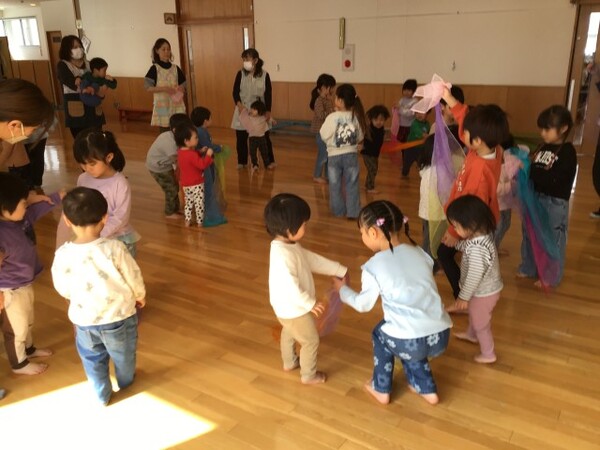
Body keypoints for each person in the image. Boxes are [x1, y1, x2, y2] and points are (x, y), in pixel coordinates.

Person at [333, 200, 452, 405]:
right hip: (440, 335)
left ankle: (381, 388)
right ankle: (425, 388)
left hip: (411, 341)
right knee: (405, 330)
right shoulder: (420, 253)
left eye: (362, 233)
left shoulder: (373, 266)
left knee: (381, 334)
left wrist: (342, 290)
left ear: (373, 232)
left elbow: (363, 305)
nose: (362, 237)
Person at [52, 187, 146, 405]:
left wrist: (72, 297)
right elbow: (132, 275)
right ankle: (126, 382)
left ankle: (101, 395)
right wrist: (140, 295)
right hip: (119, 317)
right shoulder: (115, 248)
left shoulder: (63, 253)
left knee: (92, 360)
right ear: (105, 218)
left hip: (84, 322)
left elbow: (61, 286)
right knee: (124, 354)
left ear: (67, 220)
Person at [264, 193, 347, 385]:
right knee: (310, 340)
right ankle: (309, 375)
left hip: (286, 308)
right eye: (303, 224)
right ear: (288, 229)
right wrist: (310, 303)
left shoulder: (287, 245)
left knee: (289, 331)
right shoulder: (283, 256)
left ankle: (289, 363)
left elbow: (310, 259)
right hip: (295, 308)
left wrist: (337, 269)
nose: (306, 227)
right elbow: (290, 286)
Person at [438, 88, 508, 305]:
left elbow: (469, 209)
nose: (462, 133)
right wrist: (449, 98)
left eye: (466, 133)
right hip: (477, 218)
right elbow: (465, 117)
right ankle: (468, 293)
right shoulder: (488, 148)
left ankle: (463, 297)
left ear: (476, 140)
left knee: (444, 253)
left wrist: (454, 231)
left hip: (471, 222)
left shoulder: (479, 173)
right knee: (463, 256)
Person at [0, 172, 62, 376]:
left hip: (25, 283)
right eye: (23, 202)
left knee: (27, 320)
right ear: (4, 208)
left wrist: (56, 197)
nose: (26, 205)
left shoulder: (21, 217)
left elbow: (38, 208)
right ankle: (19, 364)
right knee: (16, 329)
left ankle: (29, 349)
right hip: (9, 290)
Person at [518, 105, 577, 287]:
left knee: (552, 239)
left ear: (564, 128)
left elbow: (555, 180)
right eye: (541, 129)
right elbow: (534, 170)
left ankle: (551, 276)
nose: (542, 133)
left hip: (554, 203)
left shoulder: (567, 152)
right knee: (530, 234)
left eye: (547, 129)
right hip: (535, 198)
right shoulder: (542, 147)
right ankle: (529, 267)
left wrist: (531, 172)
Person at [58, 130, 140, 257]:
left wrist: (97, 234)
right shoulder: (82, 178)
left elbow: (121, 217)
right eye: (82, 164)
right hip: (92, 240)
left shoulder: (120, 183)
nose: (87, 168)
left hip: (117, 241)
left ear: (109, 157)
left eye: (92, 163)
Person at [446, 195, 503, 364]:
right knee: (474, 312)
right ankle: (472, 335)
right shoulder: (481, 237)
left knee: (480, 322)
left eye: (456, 226)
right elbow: (469, 246)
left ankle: (488, 353)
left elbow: (474, 275)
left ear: (470, 224)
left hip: (484, 292)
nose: (455, 230)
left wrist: (463, 296)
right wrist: (457, 245)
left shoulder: (478, 248)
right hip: (483, 290)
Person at [320, 83, 367, 219]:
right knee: (352, 184)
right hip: (351, 156)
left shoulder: (332, 117)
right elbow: (360, 137)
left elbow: (323, 134)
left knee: (335, 185)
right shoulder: (355, 116)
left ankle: (338, 211)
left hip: (334, 157)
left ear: (340, 101)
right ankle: (353, 212)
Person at [231, 48, 274, 169]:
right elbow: (235, 92)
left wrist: (268, 111)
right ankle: (242, 162)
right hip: (243, 109)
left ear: (255, 60)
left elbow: (268, 94)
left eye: (247, 59)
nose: (245, 62)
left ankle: (269, 161)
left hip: (258, 111)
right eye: (244, 59)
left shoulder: (264, 75)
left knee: (263, 137)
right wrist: (239, 106)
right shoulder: (240, 74)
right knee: (241, 137)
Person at [146, 113, 192, 219]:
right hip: (158, 168)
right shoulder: (169, 143)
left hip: (165, 164)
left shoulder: (174, 136)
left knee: (174, 186)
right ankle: (169, 212)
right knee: (170, 188)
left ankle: (175, 208)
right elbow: (177, 161)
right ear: (175, 130)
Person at [57, 35, 104, 138]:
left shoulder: (89, 64)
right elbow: (72, 83)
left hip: (93, 106)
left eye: (80, 46)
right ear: (67, 50)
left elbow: (100, 81)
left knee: (97, 138)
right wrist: (85, 82)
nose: (78, 49)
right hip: (76, 107)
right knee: (81, 139)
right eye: (74, 47)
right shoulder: (63, 65)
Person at [191, 106, 228, 227]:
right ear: (205, 121)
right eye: (210, 118)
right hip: (205, 162)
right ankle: (208, 211)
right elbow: (208, 146)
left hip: (202, 161)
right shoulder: (201, 132)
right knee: (209, 184)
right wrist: (219, 148)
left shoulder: (196, 130)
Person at [175, 123, 214, 227]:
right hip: (196, 184)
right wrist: (208, 155)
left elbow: (190, 157)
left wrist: (200, 151)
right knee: (199, 203)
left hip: (185, 184)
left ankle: (187, 220)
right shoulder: (192, 154)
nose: (197, 139)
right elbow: (202, 165)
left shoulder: (180, 152)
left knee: (188, 203)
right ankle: (199, 222)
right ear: (186, 141)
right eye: (195, 138)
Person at [145, 38, 186, 132]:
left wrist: (181, 88)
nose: (167, 52)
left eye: (168, 49)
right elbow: (148, 87)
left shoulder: (176, 68)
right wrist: (165, 89)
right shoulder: (154, 69)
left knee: (179, 129)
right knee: (165, 130)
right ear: (157, 51)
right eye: (163, 49)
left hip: (176, 104)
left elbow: (184, 85)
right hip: (161, 105)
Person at [417, 139, 442, 273]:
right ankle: (429, 266)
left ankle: (427, 262)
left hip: (425, 211)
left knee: (428, 238)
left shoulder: (425, 169)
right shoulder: (438, 172)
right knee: (432, 241)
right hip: (434, 213)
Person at [310, 73, 336, 184]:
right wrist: (332, 111)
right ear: (323, 87)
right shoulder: (319, 100)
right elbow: (321, 115)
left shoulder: (327, 100)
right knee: (323, 155)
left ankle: (328, 176)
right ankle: (317, 175)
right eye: (330, 87)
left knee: (328, 155)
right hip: (320, 132)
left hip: (327, 132)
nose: (332, 90)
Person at [360, 105, 389, 194]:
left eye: (381, 120)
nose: (379, 122)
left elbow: (379, 140)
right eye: (376, 120)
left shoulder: (381, 130)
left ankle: (367, 185)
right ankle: (370, 187)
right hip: (368, 153)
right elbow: (364, 138)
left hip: (374, 154)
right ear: (371, 119)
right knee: (373, 169)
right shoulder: (369, 129)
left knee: (373, 169)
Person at [238, 100, 272, 172]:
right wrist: (243, 109)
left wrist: (273, 121)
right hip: (252, 138)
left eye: (254, 109)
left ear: (260, 111)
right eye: (251, 108)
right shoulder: (249, 117)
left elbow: (269, 119)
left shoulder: (263, 117)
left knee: (264, 151)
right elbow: (243, 116)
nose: (251, 110)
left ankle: (267, 164)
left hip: (262, 138)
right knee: (252, 153)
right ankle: (255, 164)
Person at [402, 109, 431, 177]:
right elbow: (421, 134)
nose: (419, 115)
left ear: (427, 113)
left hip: (420, 148)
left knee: (421, 163)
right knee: (407, 164)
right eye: (417, 113)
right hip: (410, 148)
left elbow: (428, 133)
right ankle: (404, 173)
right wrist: (429, 136)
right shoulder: (414, 123)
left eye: (422, 113)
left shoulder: (427, 124)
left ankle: (423, 175)